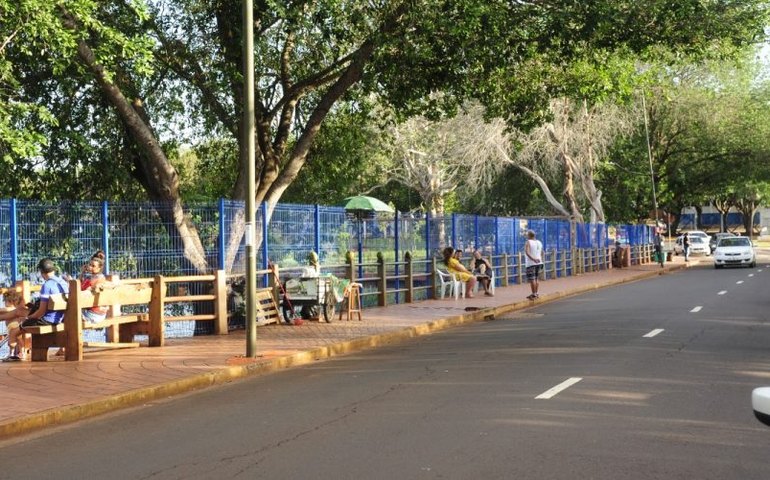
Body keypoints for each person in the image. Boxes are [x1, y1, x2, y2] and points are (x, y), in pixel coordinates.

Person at [21, 258, 69, 328]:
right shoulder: (62, 282)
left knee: (16, 329)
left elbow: (41, 311)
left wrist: (28, 317)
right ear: (53, 270)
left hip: (48, 320)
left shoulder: (47, 285)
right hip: (61, 319)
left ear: (41, 271)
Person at [80, 250, 109, 324]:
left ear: (99, 268)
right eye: (89, 265)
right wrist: (82, 273)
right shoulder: (97, 277)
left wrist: (82, 273)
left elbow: (81, 290)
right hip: (100, 314)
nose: (90, 267)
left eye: (93, 266)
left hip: (93, 315)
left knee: (68, 314)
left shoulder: (96, 279)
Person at [0, 290, 30, 362]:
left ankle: (14, 353)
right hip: (12, 327)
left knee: (15, 341)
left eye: (5, 302)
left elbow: (5, 310)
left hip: (14, 327)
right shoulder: (13, 309)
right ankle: (19, 353)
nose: (5, 303)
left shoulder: (12, 309)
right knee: (18, 340)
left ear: (11, 301)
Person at [524, 230, 543, 300]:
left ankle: (533, 294)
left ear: (529, 235)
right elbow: (541, 252)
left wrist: (533, 259)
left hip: (531, 263)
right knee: (536, 278)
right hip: (539, 262)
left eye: (527, 235)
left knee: (532, 279)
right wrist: (538, 259)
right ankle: (536, 293)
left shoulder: (528, 242)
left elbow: (527, 252)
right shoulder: (539, 242)